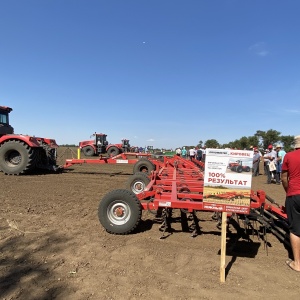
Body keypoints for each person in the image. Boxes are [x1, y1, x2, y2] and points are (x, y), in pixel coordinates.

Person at [281, 135, 300, 272]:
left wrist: (289, 190)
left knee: (295, 229)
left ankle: (297, 263)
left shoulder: (289, 156)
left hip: (295, 194)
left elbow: (283, 177)